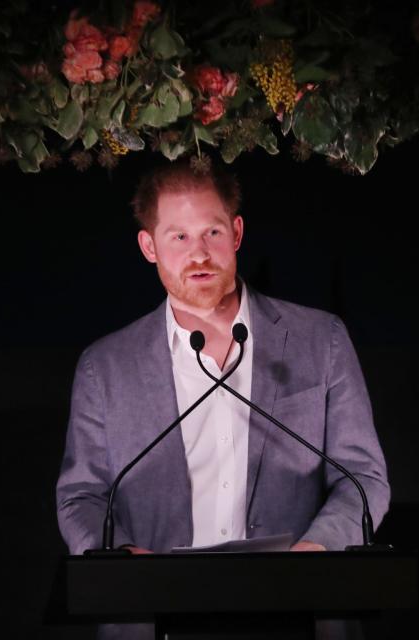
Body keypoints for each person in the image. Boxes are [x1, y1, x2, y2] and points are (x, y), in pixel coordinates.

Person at [55, 159, 390, 638]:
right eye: (179, 237)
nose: (199, 255)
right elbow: (81, 495)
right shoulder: (103, 367)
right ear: (149, 246)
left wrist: (315, 554)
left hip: (298, 610)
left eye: (211, 232)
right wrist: (125, 562)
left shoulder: (322, 341)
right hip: (156, 615)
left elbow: (364, 477)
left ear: (236, 233)